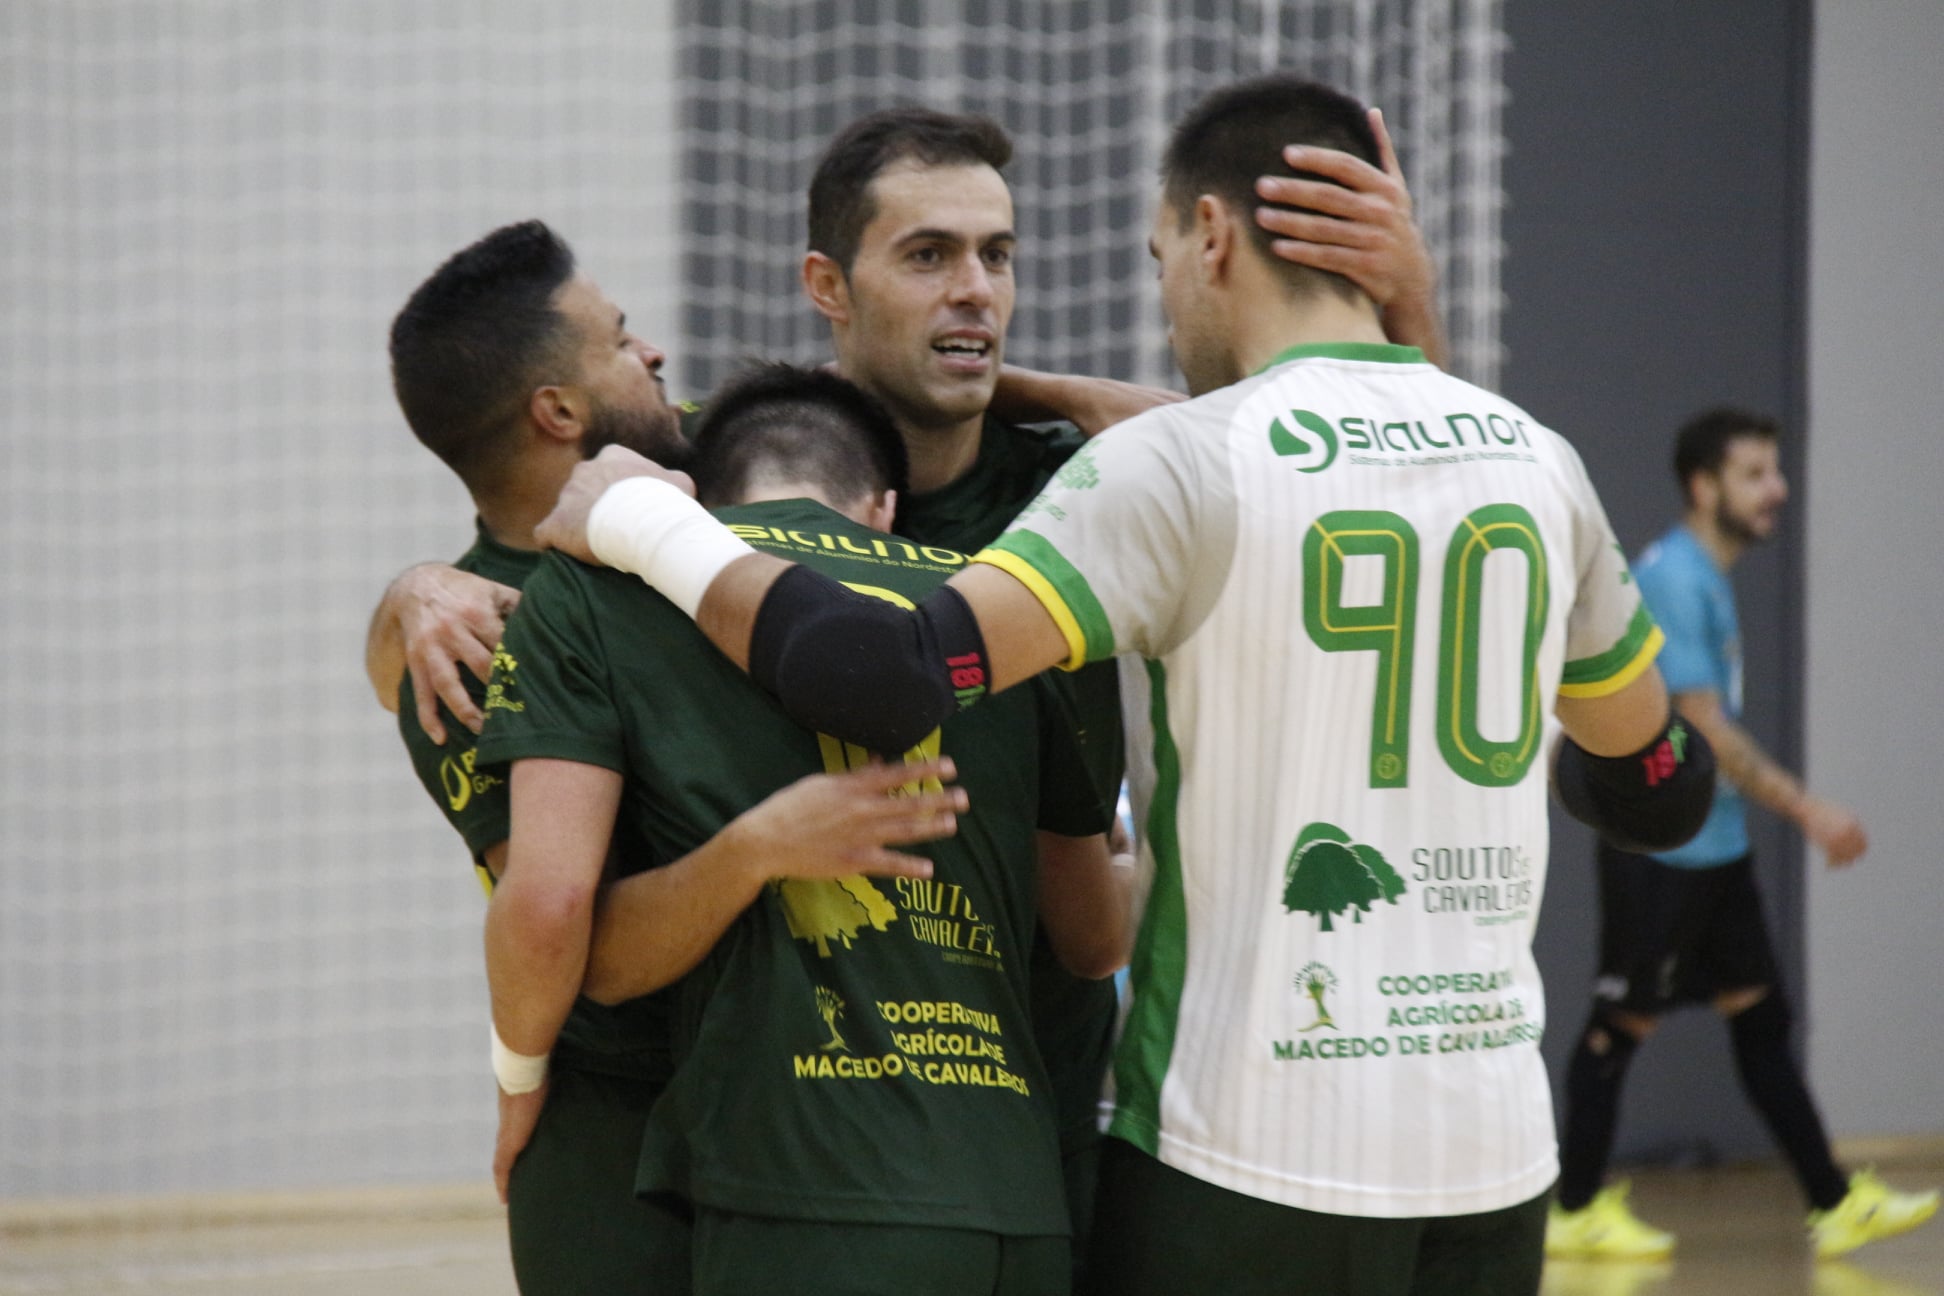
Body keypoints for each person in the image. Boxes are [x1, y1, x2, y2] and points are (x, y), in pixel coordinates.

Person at [531, 73, 1722, 1296]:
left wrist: (642, 526)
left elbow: (888, 674)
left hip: (1219, 1142)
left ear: (1208, 238)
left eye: (1004, 254)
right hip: (1490, 1147)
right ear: (826, 286)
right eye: (933, 253)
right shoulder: (1538, 458)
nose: (981, 289)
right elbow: (1657, 791)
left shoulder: (1153, 466)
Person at [383, 222, 969, 1293]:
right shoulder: (468, 652)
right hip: (627, 1115)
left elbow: (895, 404)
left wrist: (1085, 402)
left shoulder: (718, 465)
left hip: (821, 1088)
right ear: (559, 413)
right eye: (618, 341)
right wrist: (408, 595)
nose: (654, 355)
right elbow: (558, 919)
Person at [476, 361, 1127, 1295]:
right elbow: (1093, 938)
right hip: (1014, 1202)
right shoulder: (1007, 612)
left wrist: (519, 1073)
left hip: (797, 1193)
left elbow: (556, 914)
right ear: (883, 506)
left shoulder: (594, 594)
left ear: (697, 500)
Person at [1545, 407, 1939, 1263]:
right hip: (1664, 852)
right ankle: (1572, 1207)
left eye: (1775, 471)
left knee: (1761, 1016)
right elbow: (1704, 730)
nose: (1778, 490)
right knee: (1622, 1024)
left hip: (1716, 850)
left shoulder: (1707, 577)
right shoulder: (1674, 579)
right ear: (1704, 486)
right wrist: (1811, 812)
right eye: (1756, 474)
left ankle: (1835, 1204)